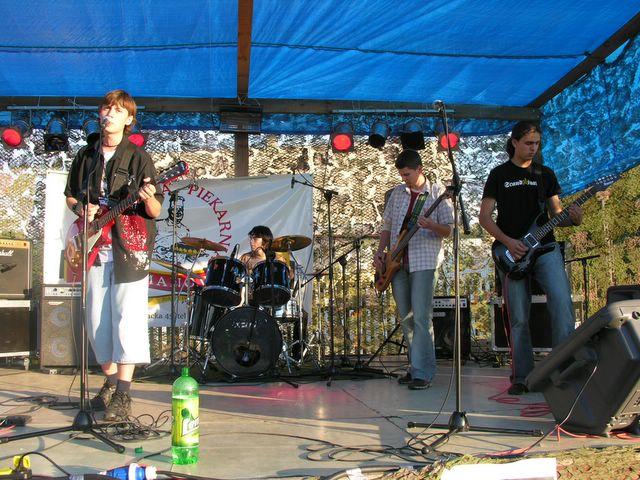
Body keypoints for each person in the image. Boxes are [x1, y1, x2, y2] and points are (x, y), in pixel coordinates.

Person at [64, 89, 163, 420]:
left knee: (126, 319)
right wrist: (82, 209)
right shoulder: (86, 155)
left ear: (129, 119)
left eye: (118, 110)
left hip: (129, 248)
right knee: (95, 322)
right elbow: (71, 196)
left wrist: (148, 197)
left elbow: (155, 209)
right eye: (106, 108)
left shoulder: (138, 157)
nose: (110, 114)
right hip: (95, 245)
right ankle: (109, 382)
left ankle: (123, 393)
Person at [479, 121, 582, 395]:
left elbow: (556, 214)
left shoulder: (545, 174)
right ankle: (522, 377)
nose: (533, 148)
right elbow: (484, 218)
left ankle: (562, 371)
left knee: (562, 304)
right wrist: (508, 242)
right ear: (514, 142)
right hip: (511, 252)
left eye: (536, 143)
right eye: (528, 143)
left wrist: (574, 219)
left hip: (546, 248)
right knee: (518, 317)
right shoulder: (499, 174)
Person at [373, 150, 454, 390]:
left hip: (424, 262)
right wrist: (380, 252)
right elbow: (387, 226)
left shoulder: (438, 193)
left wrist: (431, 225)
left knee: (421, 317)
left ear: (420, 169)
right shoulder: (397, 193)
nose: (404, 179)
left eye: (407, 174)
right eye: (401, 175)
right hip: (396, 261)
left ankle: (424, 372)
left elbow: (450, 230)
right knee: (406, 318)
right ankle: (414, 367)